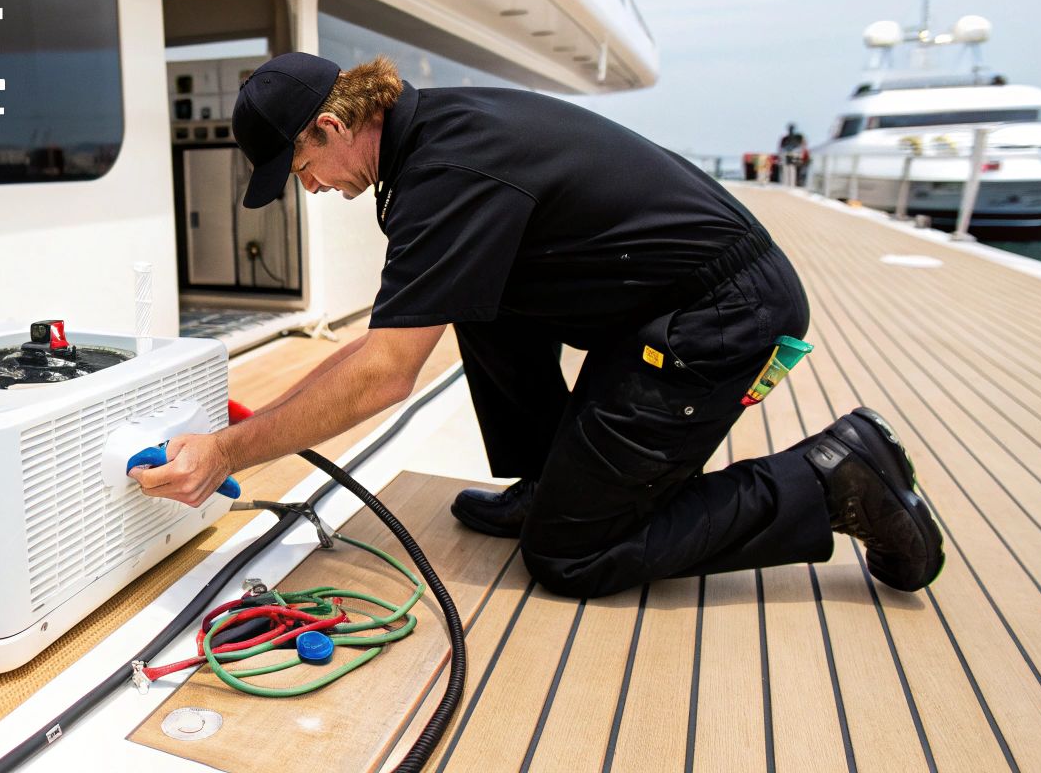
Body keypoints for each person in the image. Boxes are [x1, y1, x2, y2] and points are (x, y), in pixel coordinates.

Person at [130, 53, 944, 598]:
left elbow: (384, 371)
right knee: (476, 303)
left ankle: (833, 478)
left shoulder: (446, 174)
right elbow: (384, 343)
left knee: (571, 557)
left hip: (720, 320)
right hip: (656, 310)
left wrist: (230, 452)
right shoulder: (438, 138)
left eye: (301, 170)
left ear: (332, 128)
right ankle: (548, 486)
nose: (309, 189)